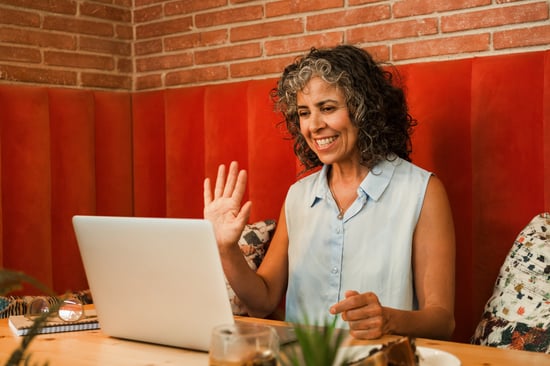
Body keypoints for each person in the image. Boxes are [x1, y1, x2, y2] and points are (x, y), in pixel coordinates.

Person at [203, 45, 456, 340]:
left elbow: (442, 321)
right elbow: (263, 301)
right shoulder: (298, 196)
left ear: (364, 109)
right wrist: (226, 249)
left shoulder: (421, 191)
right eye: (304, 113)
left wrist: (387, 319)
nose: (314, 125)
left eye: (328, 108)